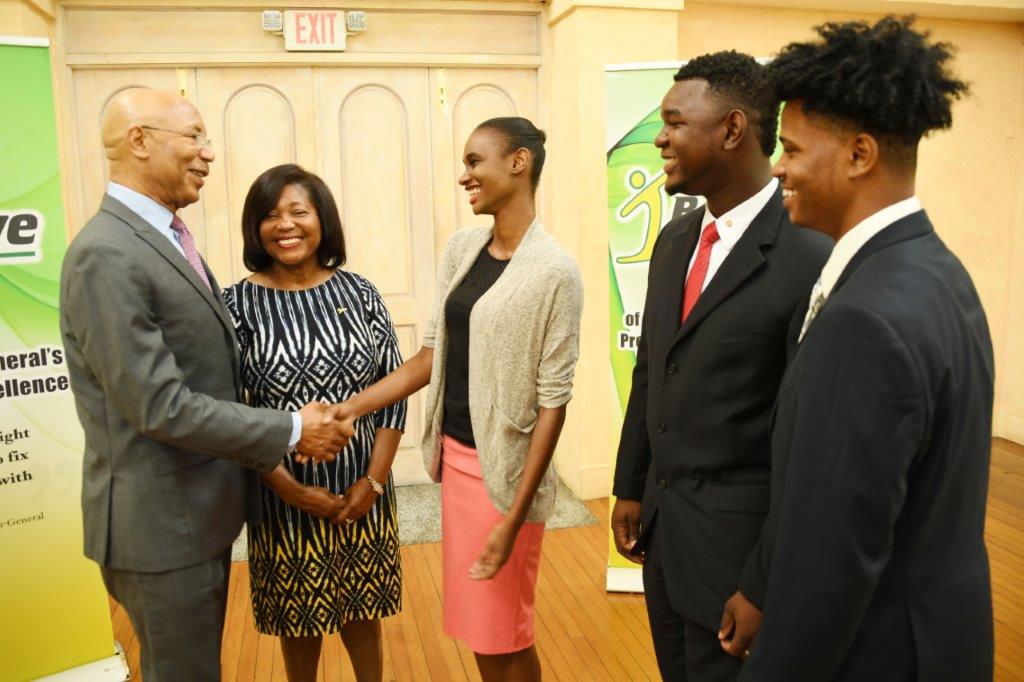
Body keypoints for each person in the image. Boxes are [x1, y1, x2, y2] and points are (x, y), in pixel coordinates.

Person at [59, 89, 349, 682]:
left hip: (193, 519)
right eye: (193, 136)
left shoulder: (163, 236)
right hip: (160, 528)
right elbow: (159, 405)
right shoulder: (106, 254)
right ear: (139, 140)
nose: (208, 154)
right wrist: (293, 428)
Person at [739, 17, 992, 681]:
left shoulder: (865, 323)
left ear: (859, 155)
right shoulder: (938, 268)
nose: (778, 167)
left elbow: (829, 570)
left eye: (792, 149)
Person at [334, 116, 582, 681]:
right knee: (483, 627)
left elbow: (554, 402)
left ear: (518, 162)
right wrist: (352, 407)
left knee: (506, 630)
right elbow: (430, 357)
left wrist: (514, 516)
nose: (464, 175)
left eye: (475, 161)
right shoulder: (462, 249)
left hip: (508, 477)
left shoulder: (556, 271)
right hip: (459, 462)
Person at [610, 51, 832, 681]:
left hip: (740, 561)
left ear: (732, 129)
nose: (660, 138)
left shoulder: (808, 253)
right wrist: (631, 485)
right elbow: (652, 371)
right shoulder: (674, 241)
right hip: (664, 536)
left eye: (676, 122)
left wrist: (765, 583)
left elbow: (807, 445)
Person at [221, 164, 406, 682]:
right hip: (282, 500)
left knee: (363, 611)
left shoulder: (360, 294)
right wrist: (290, 490)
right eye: (270, 215)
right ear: (254, 228)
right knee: (298, 622)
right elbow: (235, 412)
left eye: (298, 211)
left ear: (322, 219)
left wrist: (373, 482)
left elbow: (392, 395)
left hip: (364, 491)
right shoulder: (236, 305)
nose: (286, 225)